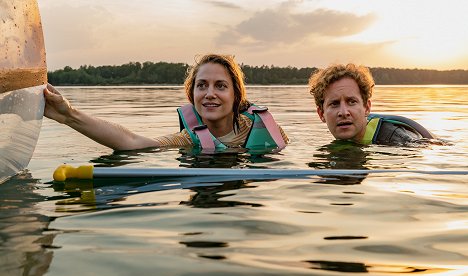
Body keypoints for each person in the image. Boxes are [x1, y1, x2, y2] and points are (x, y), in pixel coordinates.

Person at [44, 54, 289, 152]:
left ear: (236, 95)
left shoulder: (268, 131)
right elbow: (131, 142)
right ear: (191, 94)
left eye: (220, 86)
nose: (209, 93)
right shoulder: (186, 140)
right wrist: (69, 115)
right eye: (201, 85)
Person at [308, 63, 435, 145]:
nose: (344, 112)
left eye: (351, 102)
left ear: (367, 107)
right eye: (334, 104)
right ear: (321, 114)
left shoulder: (398, 140)